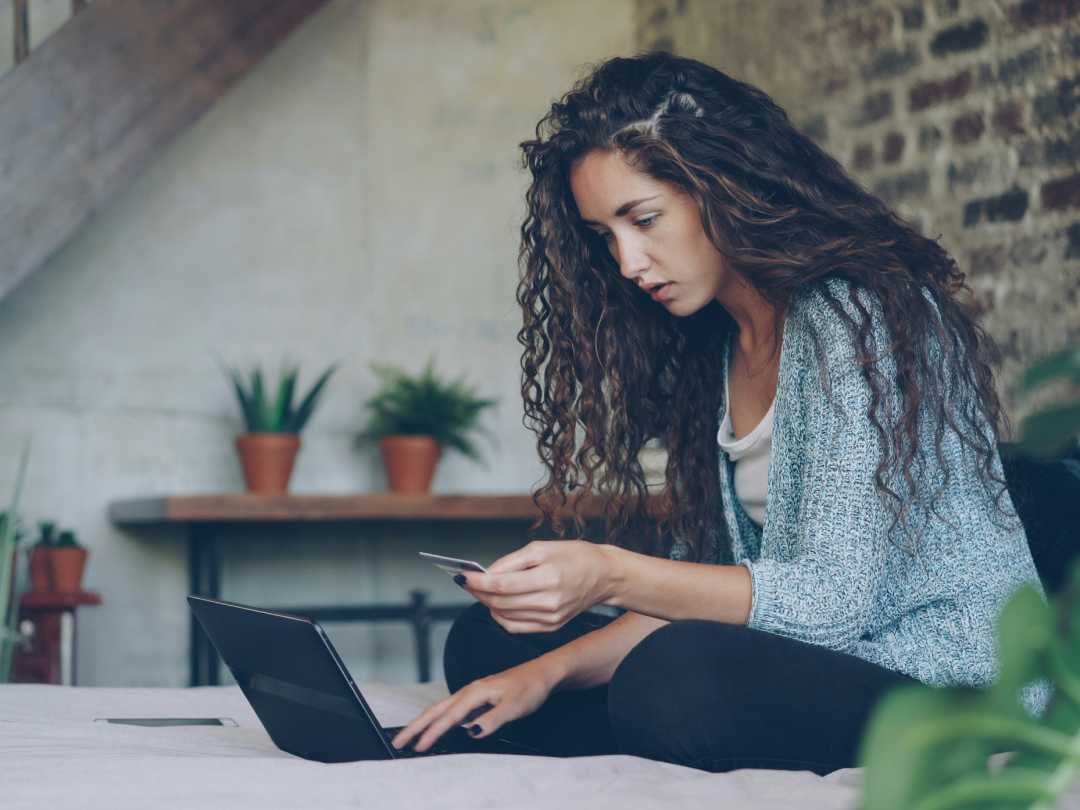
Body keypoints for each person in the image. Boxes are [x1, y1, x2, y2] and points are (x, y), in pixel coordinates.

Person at [392, 52, 1046, 774]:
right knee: (488, 647)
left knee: (675, 680)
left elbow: (830, 605)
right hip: (808, 660)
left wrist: (607, 572)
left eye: (644, 220)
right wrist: (545, 674)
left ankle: (641, 717)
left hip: (948, 681)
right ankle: (595, 709)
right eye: (605, 236)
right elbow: (707, 589)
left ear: (724, 185)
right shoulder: (716, 344)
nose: (628, 262)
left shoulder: (857, 318)